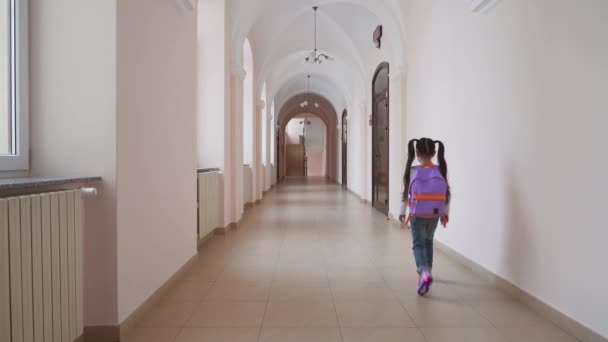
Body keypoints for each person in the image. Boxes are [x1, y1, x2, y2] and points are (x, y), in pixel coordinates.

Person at [399, 138, 451, 295]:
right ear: (435, 153)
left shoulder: (413, 170)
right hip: (434, 214)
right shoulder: (441, 169)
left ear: (416, 153)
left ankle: (423, 272)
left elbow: (406, 194)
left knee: (418, 244)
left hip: (418, 214)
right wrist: (445, 214)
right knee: (428, 242)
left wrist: (402, 212)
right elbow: (447, 195)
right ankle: (427, 273)